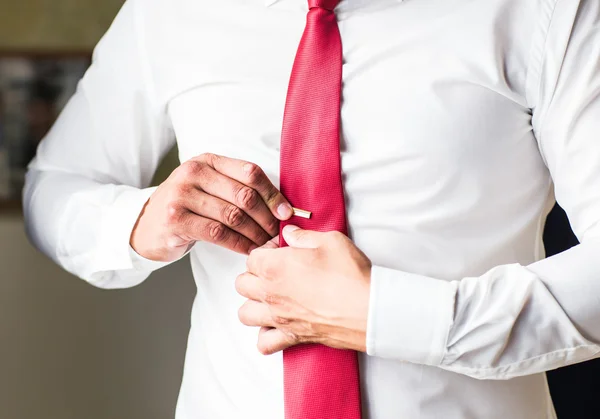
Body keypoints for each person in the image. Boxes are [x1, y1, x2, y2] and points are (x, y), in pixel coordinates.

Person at [22, 0, 600, 418]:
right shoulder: (168, 12)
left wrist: (389, 315)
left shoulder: (546, 12)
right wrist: (143, 220)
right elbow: (54, 186)